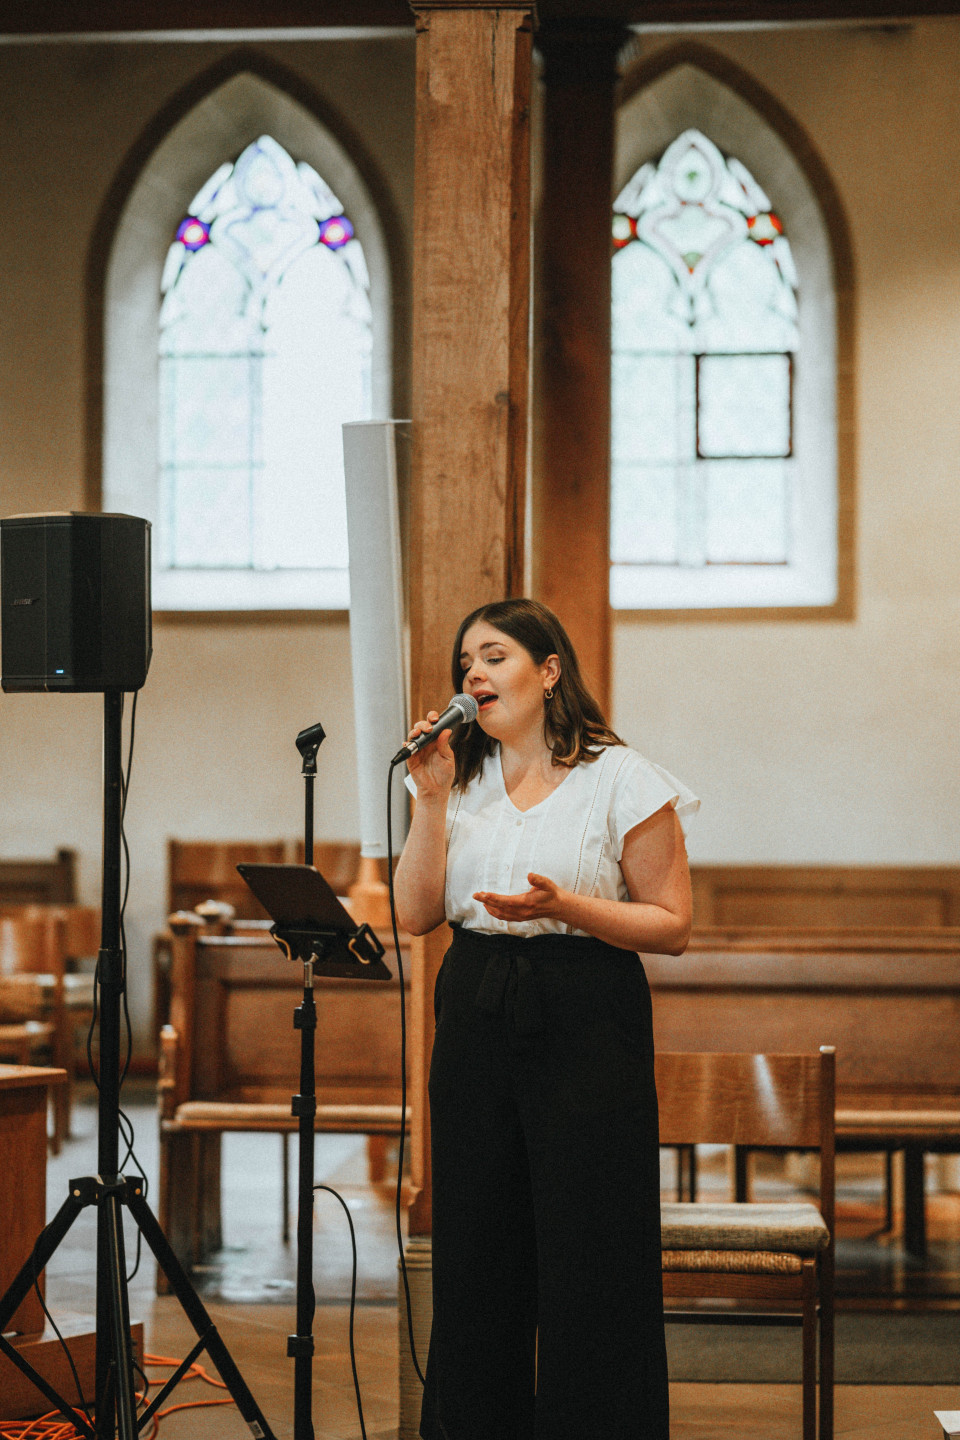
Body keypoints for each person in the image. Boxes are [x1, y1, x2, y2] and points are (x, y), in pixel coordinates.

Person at [394, 598, 699, 1440]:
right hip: (478, 1001)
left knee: (589, 1247)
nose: (474, 675)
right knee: (477, 1238)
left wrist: (570, 906)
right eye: (466, 665)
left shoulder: (620, 775)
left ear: (549, 670)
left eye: (493, 657)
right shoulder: (459, 780)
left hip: (584, 1008)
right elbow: (416, 913)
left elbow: (672, 924)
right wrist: (428, 801)